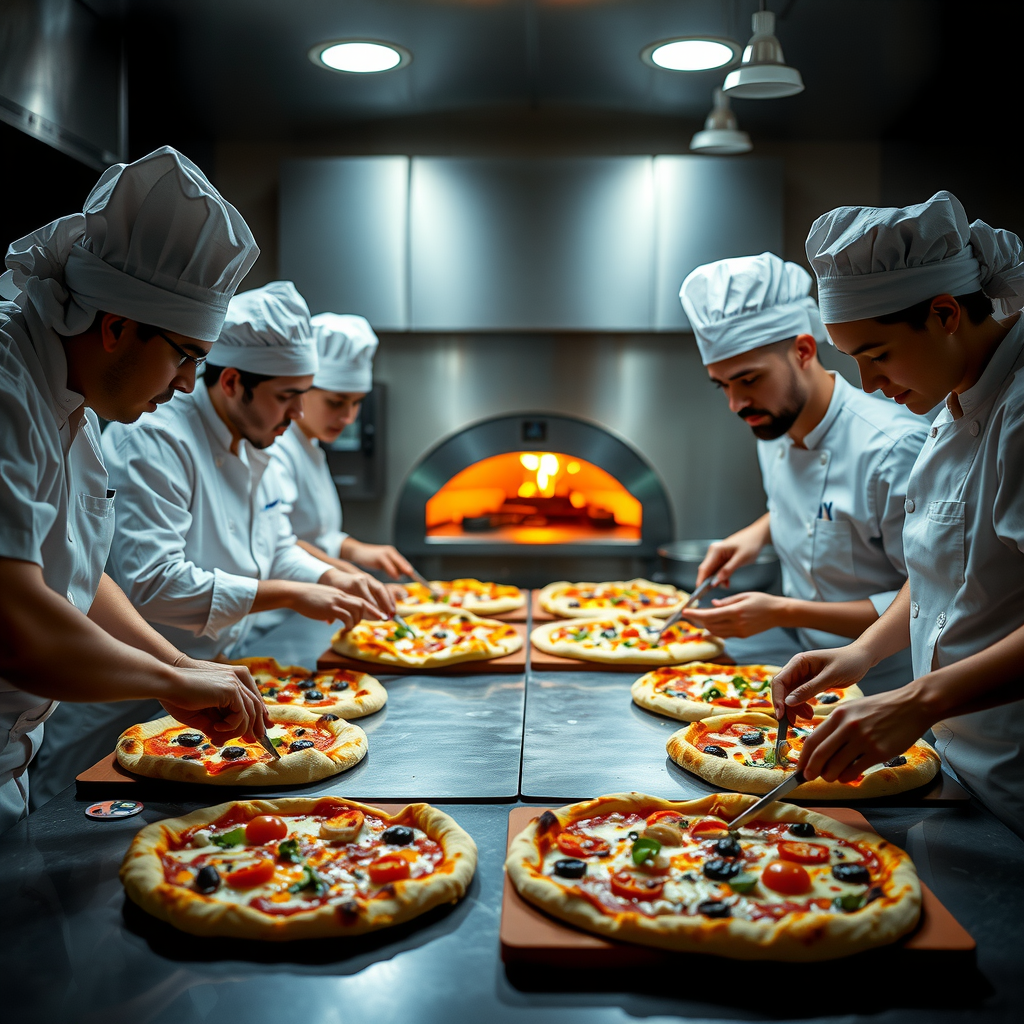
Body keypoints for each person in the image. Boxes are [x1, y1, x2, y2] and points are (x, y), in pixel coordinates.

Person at [31, 283, 395, 804]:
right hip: (121, 699)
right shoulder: (155, 436)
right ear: (231, 382)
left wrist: (328, 576)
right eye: (287, 398)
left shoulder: (256, 442)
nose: (296, 416)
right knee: (80, 830)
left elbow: (276, 544)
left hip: (208, 682)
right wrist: (290, 594)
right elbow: (156, 584)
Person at [0, 147, 268, 833]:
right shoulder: (7, 392)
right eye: (185, 355)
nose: (186, 384)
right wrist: (173, 680)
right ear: (117, 327)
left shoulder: (71, 401)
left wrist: (179, 663)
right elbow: (18, 626)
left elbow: (78, 580)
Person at [772, 191, 1024, 838]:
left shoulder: (1018, 412)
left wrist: (917, 700)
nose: (867, 381)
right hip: (960, 767)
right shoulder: (952, 400)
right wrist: (860, 655)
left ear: (944, 314)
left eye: (877, 354)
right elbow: (945, 569)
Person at [678, 253, 927, 689]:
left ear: (803, 350)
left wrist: (781, 610)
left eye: (749, 380)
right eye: (723, 385)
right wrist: (757, 533)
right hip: (803, 668)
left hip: (888, 687)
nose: (736, 405)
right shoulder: (774, 423)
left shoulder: (892, 448)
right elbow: (821, 505)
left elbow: (928, 599)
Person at [268, 313, 412, 579]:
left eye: (357, 403)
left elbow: (317, 536)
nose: (349, 418)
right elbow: (276, 543)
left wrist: (357, 550)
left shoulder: (310, 446)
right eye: (336, 402)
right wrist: (345, 573)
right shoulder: (275, 448)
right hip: (278, 614)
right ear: (301, 390)